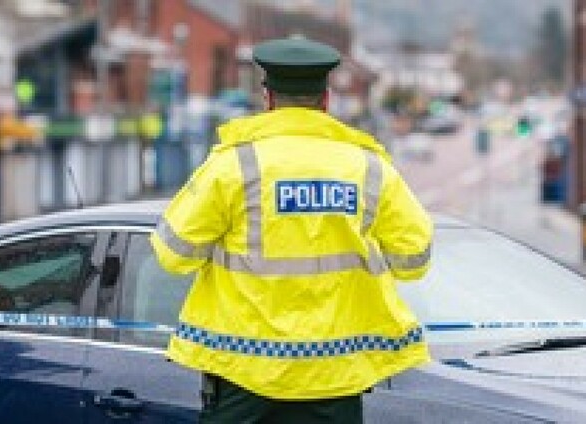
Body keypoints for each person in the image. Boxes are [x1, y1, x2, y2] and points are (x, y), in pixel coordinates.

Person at [151, 37, 433, 424]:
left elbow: (173, 255)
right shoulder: (368, 168)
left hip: (243, 377)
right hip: (334, 381)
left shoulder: (234, 165)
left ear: (268, 99)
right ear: (326, 100)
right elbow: (413, 261)